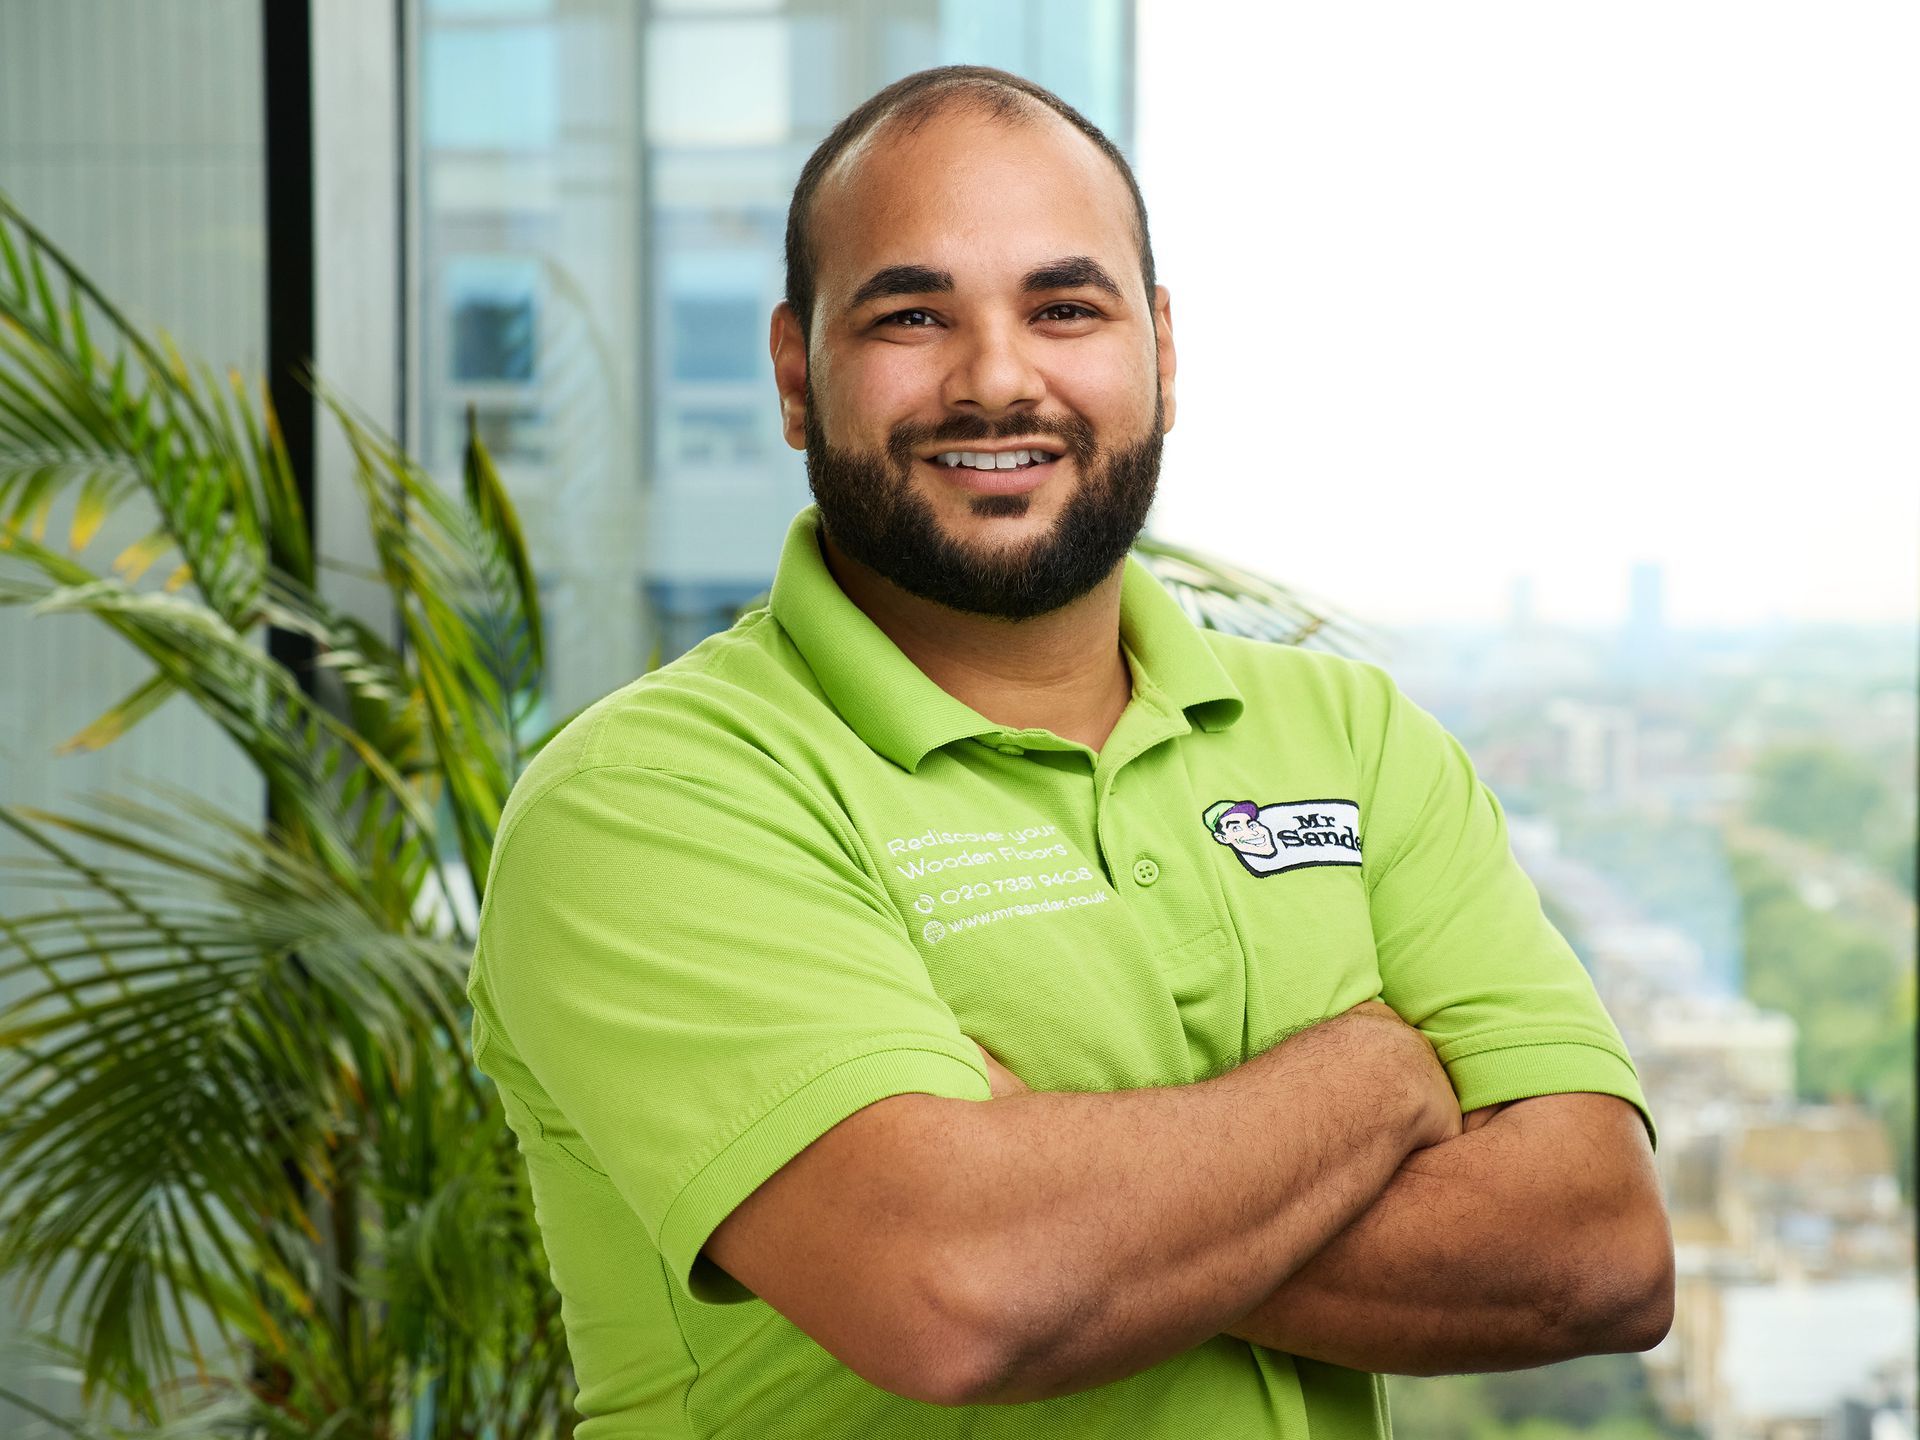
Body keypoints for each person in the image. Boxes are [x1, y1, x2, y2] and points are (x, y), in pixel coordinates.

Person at [470, 64, 1674, 1437]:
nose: (996, 379)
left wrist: (1060, 1195)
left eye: (1065, 308)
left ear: (1161, 349)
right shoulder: (652, 801)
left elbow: (1599, 1255)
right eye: (913, 314)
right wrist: (1377, 1079)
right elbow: (963, 1287)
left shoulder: (1354, 739)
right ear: (798, 375)